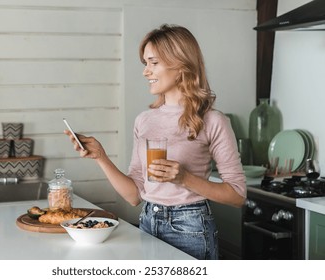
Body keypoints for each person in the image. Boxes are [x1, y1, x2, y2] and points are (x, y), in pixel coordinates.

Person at [65, 24, 246, 260]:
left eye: (153, 62)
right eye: (145, 63)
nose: (145, 71)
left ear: (180, 65)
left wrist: (185, 178)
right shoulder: (144, 120)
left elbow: (237, 195)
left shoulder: (213, 120)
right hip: (148, 221)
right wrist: (101, 157)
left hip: (190, 228)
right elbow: (134, 196)